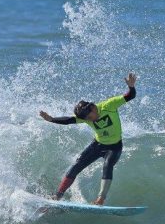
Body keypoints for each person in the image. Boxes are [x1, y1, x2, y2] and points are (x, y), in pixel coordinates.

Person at [39, 73, 137, 205]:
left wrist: (131, 87)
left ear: (93, 108)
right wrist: (51, 119)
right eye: (86, 119)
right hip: (98, 145)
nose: (89, 120)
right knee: (76, 166)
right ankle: (57, 196)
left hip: (114, 147)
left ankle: (101, 199)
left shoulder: (109, 105)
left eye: (90, 117)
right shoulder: (85, 116)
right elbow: (69, 120)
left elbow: (130, 96)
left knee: (107, 166)